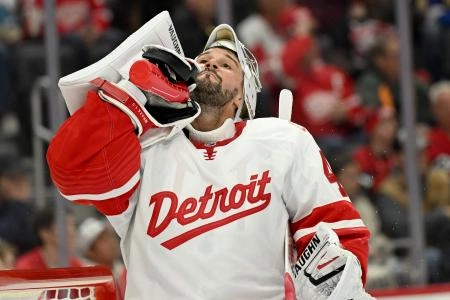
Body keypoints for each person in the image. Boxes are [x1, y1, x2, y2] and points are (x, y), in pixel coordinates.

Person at [47, 17, 372, 299]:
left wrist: (338, 281)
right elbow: (71, 173)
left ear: (241, 99)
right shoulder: (144, 145)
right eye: (202, 60)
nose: (211, 64)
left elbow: (336, 232)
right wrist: (133, 98)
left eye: (226, 65)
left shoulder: (282, 140)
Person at [15, 206, 83, 269]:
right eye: (64, 225)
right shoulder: (26, 266)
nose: (71, 231)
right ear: (44, 232)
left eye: (72, 225)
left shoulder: (76, 265)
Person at [0, 153, 38, 255]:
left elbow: (35, 236)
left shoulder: (26, 209)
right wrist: (18, 204)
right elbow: (5, 237)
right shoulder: (18, 206)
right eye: (12, 178)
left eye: (22, 177)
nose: (19, 182)